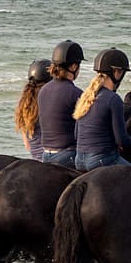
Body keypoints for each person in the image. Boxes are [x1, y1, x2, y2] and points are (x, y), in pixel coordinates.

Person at [72, 48, 131, 171]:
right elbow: (121, 139)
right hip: (101, 160)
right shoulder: (113, 98)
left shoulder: (86, 96)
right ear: (117, 72)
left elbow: (76, 135)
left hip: (79, 160)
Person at [38, 40, 85, 168]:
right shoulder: (76, 94)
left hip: (46, 154)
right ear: (74, 67)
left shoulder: (43, 90)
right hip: (67, 155)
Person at [14, 59, 51, 161]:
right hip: (50, 157)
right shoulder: (48, 100)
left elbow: (27, 145)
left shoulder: (24, 104)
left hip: (35, 157)